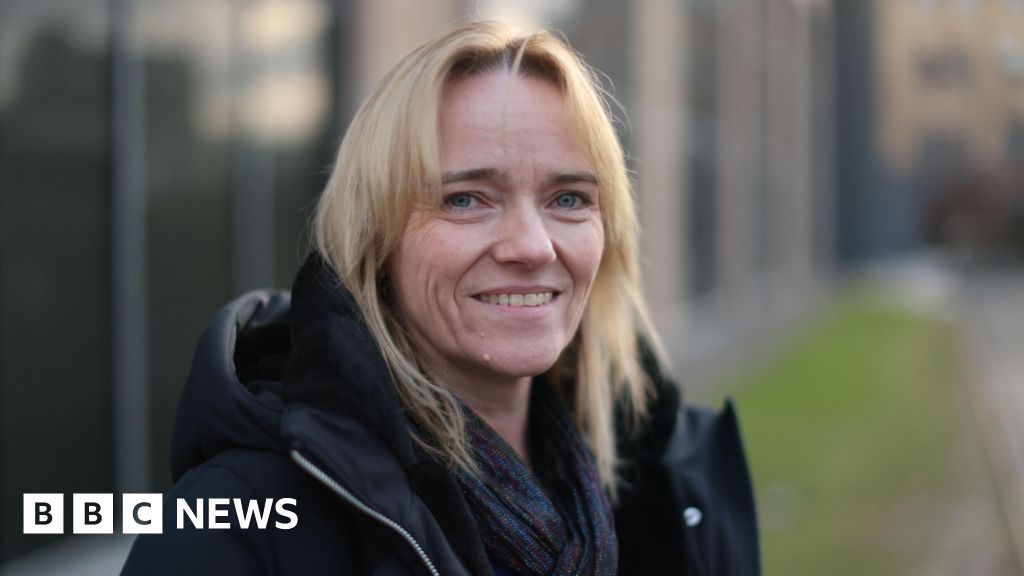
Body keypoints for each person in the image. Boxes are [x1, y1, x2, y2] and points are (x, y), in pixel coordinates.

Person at [121, 20, 759, 576]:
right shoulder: (238, 523)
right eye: (465, 198)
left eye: (568, 198)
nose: (532, 247)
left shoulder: (677, 483)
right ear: (377, 239)